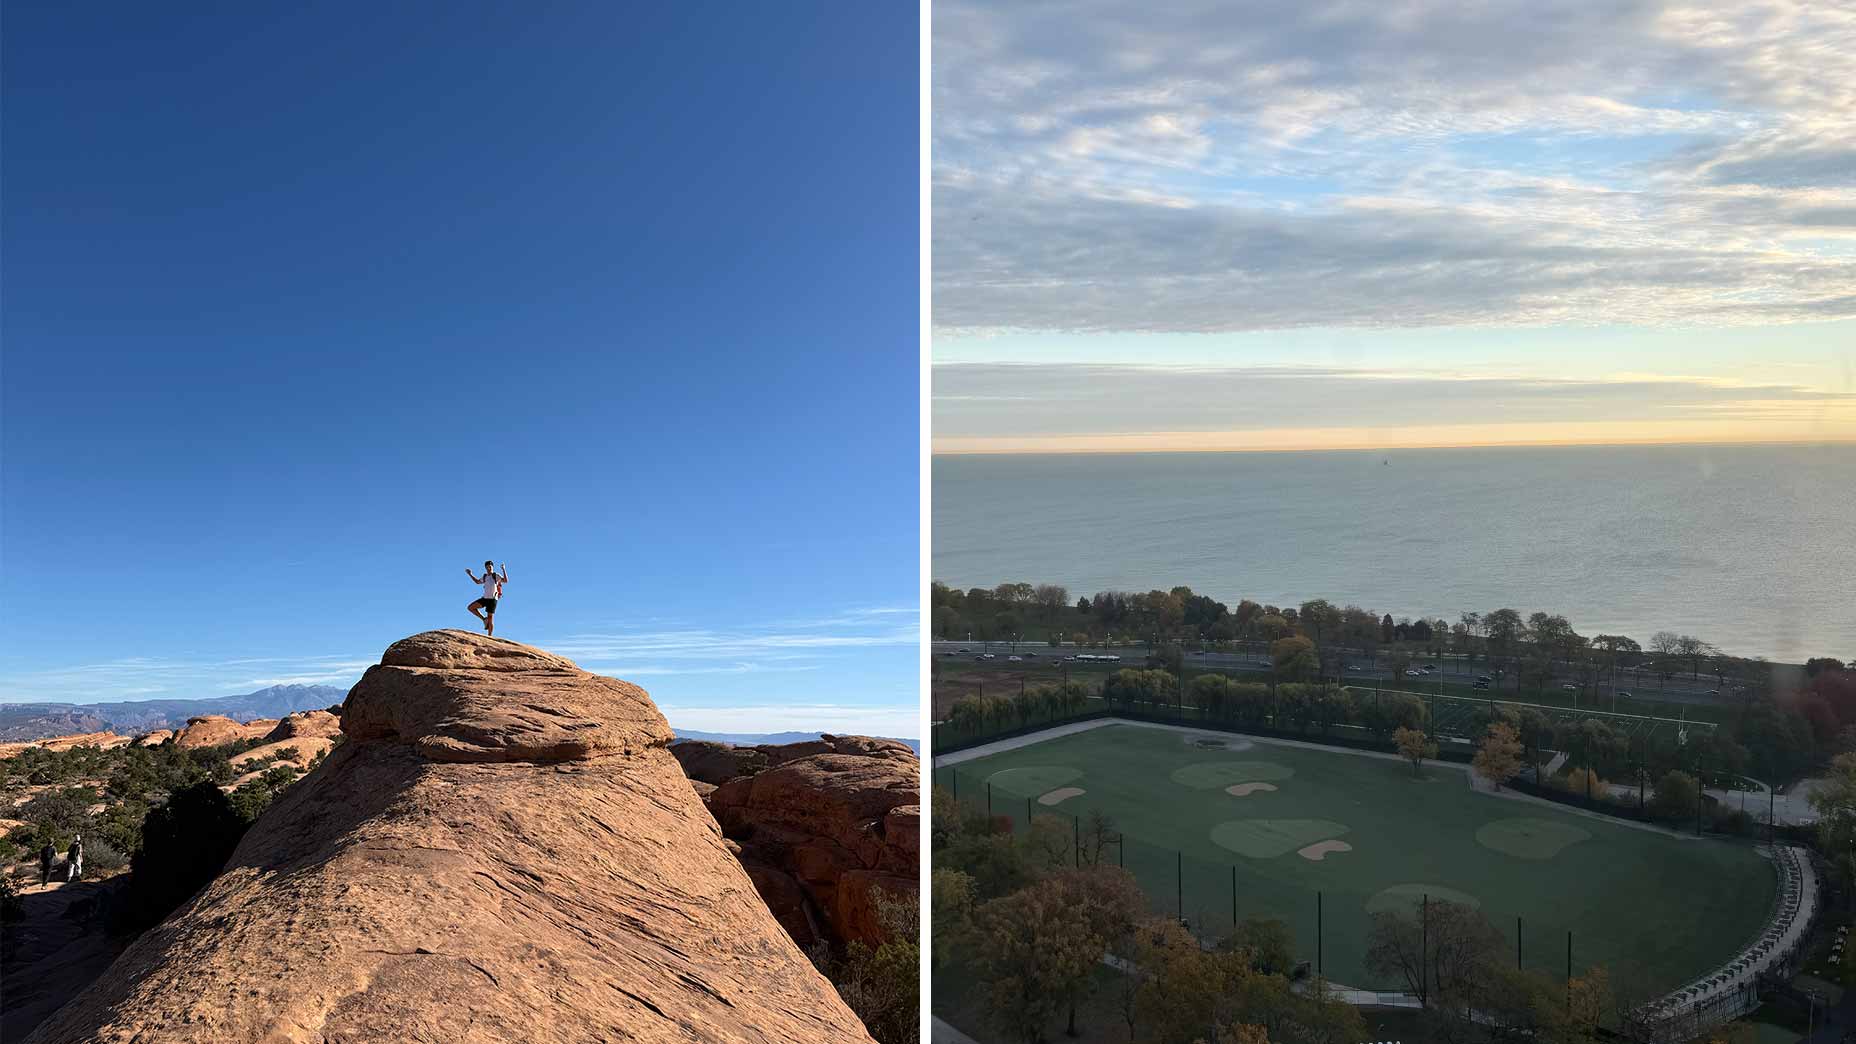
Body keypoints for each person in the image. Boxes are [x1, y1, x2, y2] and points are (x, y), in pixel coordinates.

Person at [466, 560, 509, 636]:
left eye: (490, 567)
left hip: (492, 600)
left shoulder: (496, 575)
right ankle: (483, 619)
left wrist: (503, 569)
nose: (488, 568)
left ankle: (489, 636)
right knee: (470, 607)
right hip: (485, 598)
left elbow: (505, 581)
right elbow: (477, 582)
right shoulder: (485, 576)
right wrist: (470, 574)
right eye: (487, 567)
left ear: (492, 567)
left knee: (490, 618)